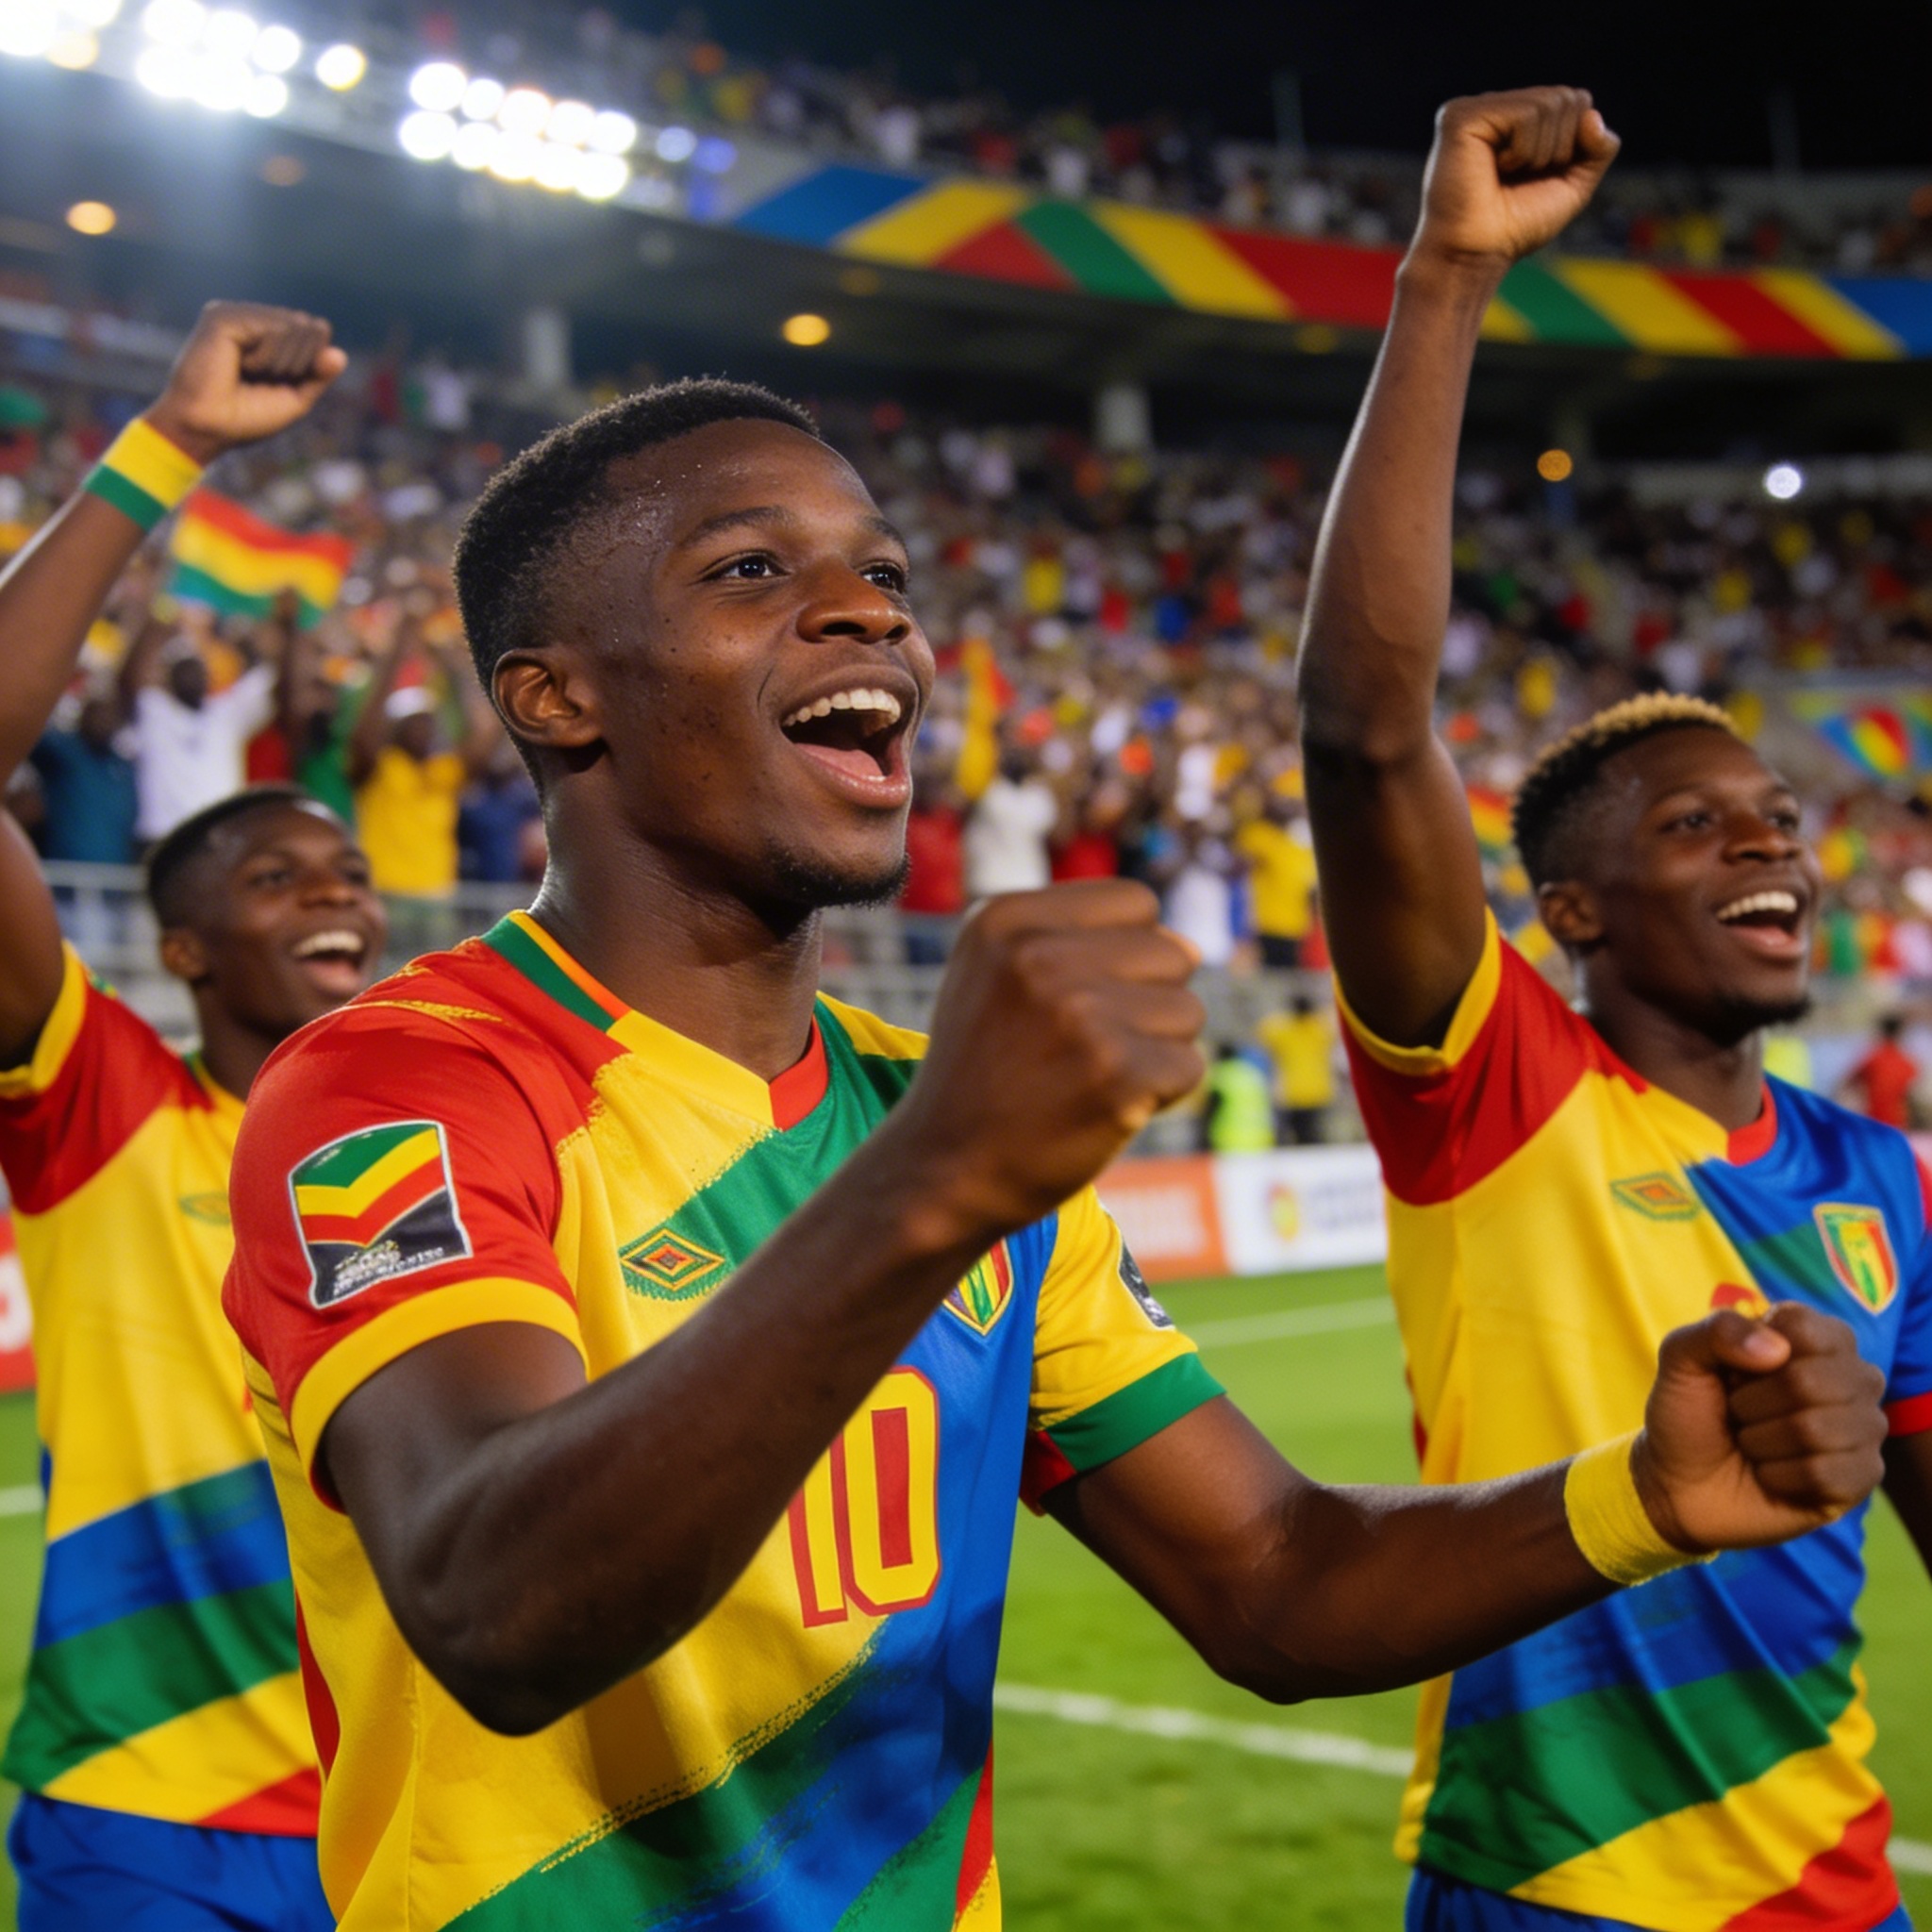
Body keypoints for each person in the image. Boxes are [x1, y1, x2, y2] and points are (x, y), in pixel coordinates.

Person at [223, 375, 1888, 1932]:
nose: (874, 608)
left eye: (883, 571)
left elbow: (1275, 1578)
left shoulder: (947, 1128)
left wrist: (1637, 1496)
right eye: (751, 568)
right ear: (554, 694)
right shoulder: (401, 1083)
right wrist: (937, 1173)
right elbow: (493, 1605)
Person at [1295, 88, 1932, 1932]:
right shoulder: (1492, 1085)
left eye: (1782, 820)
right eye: (1696, 826)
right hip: (1547, 1887)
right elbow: (1360, 730)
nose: (1771, 850)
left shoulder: (1874, 1172)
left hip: (1833, 1885)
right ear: (1567, 909)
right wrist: (1445, 280)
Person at [0, 301, 384, 1930]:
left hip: (417, 1803)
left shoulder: (453, 1146)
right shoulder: (110, 1110)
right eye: (277, 878)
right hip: (148, 1817)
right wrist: (171, 448)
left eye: (352, 874)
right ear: (180, 946)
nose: (337, 901)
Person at [1257, 991, 1337, 1144]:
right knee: (1314, 1134)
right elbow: (1334, 1023)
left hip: (1291, 1092)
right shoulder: (1319, 1029)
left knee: (1294, 1135)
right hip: (1318, 1090)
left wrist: (1286, 1016)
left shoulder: (1284, 1031)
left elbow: (1264, 1028)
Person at [1840, 1015, 1922, 1132]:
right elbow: (1912, 1097)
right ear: (1901, 1033)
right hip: (1897, 1123)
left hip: (1873, 1121)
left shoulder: (1872, 1059)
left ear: (1882, 1031)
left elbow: (1847, 1085)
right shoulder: (1907, 1063)